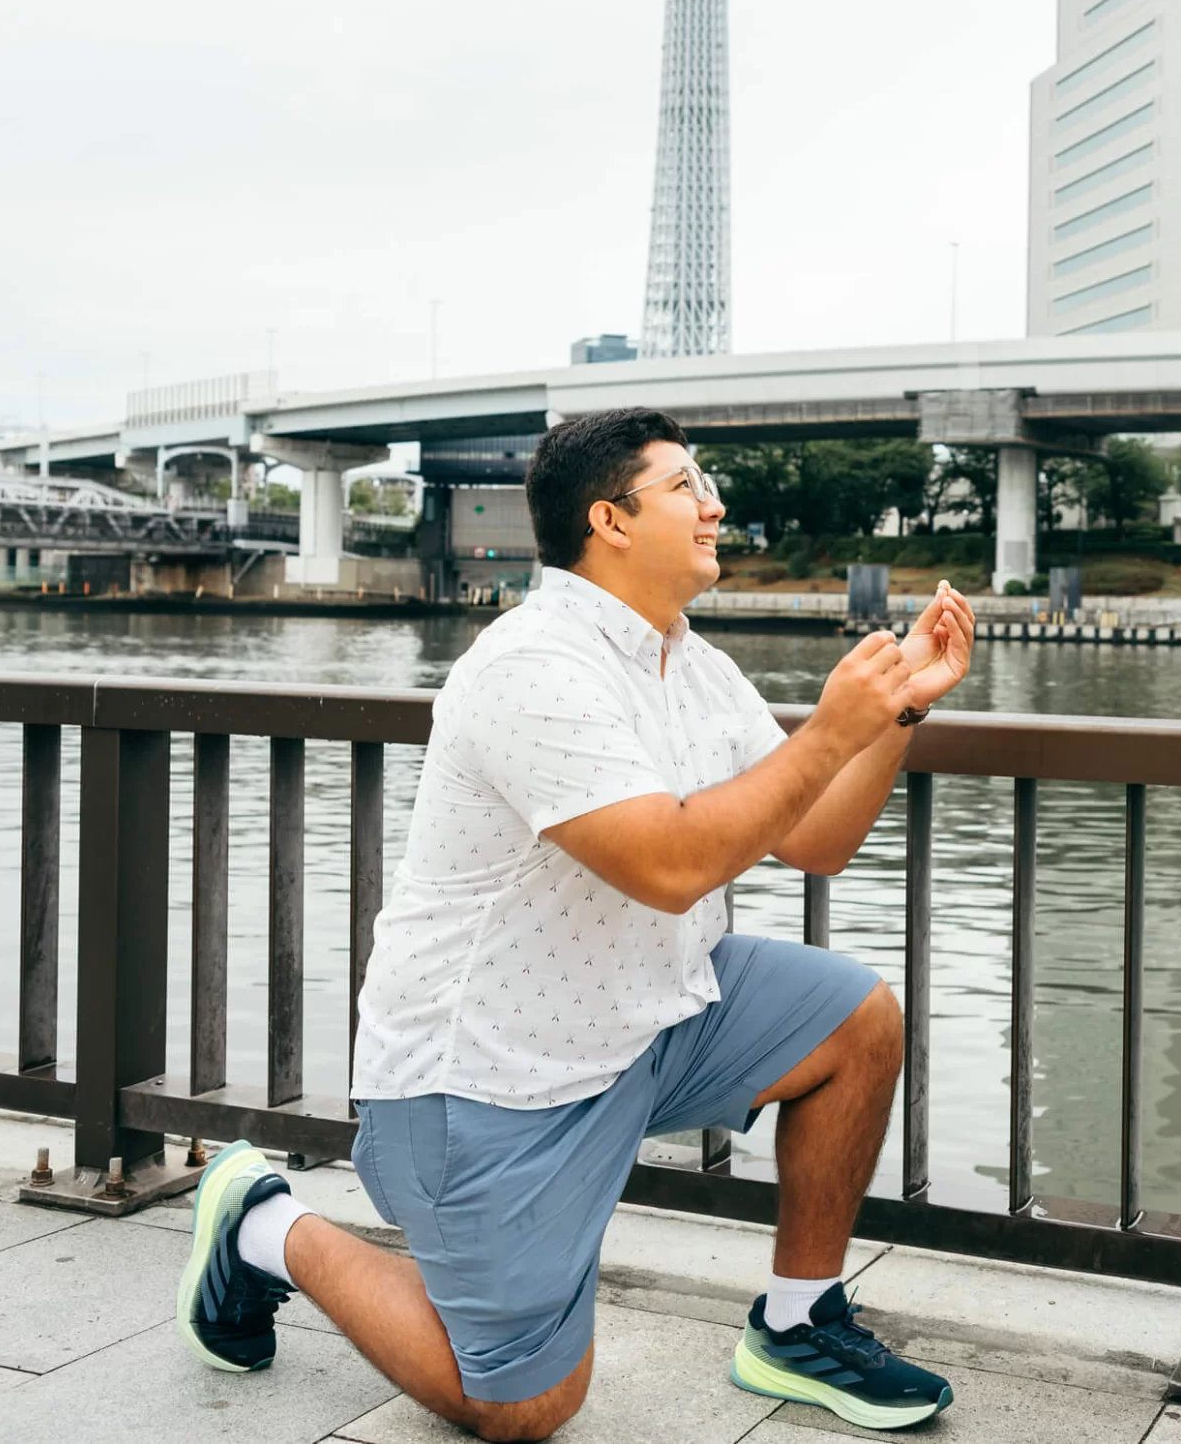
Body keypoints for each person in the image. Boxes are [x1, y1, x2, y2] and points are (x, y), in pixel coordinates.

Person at [173, 407, 976, 1441]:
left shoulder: (688, 661)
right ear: (609, 519)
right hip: (493, 1078)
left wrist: (896, 712)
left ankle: (794, 1321)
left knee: (855, 1023)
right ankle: (266, 1223)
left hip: (650, 1017)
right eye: (686, 485)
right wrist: (829, 729)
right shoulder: (531, 668)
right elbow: (672, 864)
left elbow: (816, 840)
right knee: (521, 1408)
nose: (715, 504)